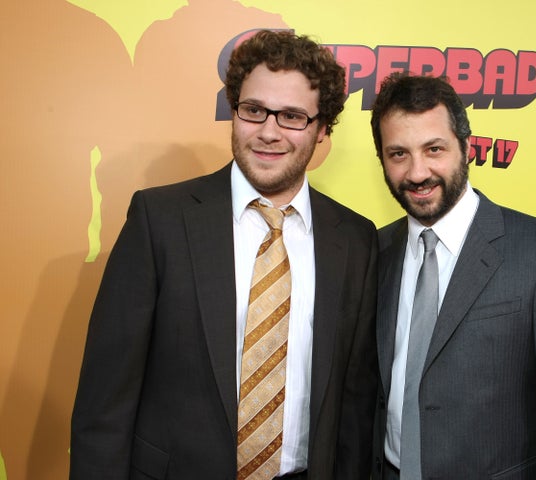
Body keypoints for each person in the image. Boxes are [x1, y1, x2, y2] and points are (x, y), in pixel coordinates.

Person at [71, 30, 378, 480]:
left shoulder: (354, 239)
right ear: (234, 111)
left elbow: (354, 406)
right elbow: (105, 405)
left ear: (322, 130)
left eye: (292, 116)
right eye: (254, 110)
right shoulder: (160, 220)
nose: (268, 132)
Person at [370, 72, 536, 480]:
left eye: (434, 149)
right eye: (398, 154)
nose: (418, 172)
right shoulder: (376, 252)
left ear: (467, 147)